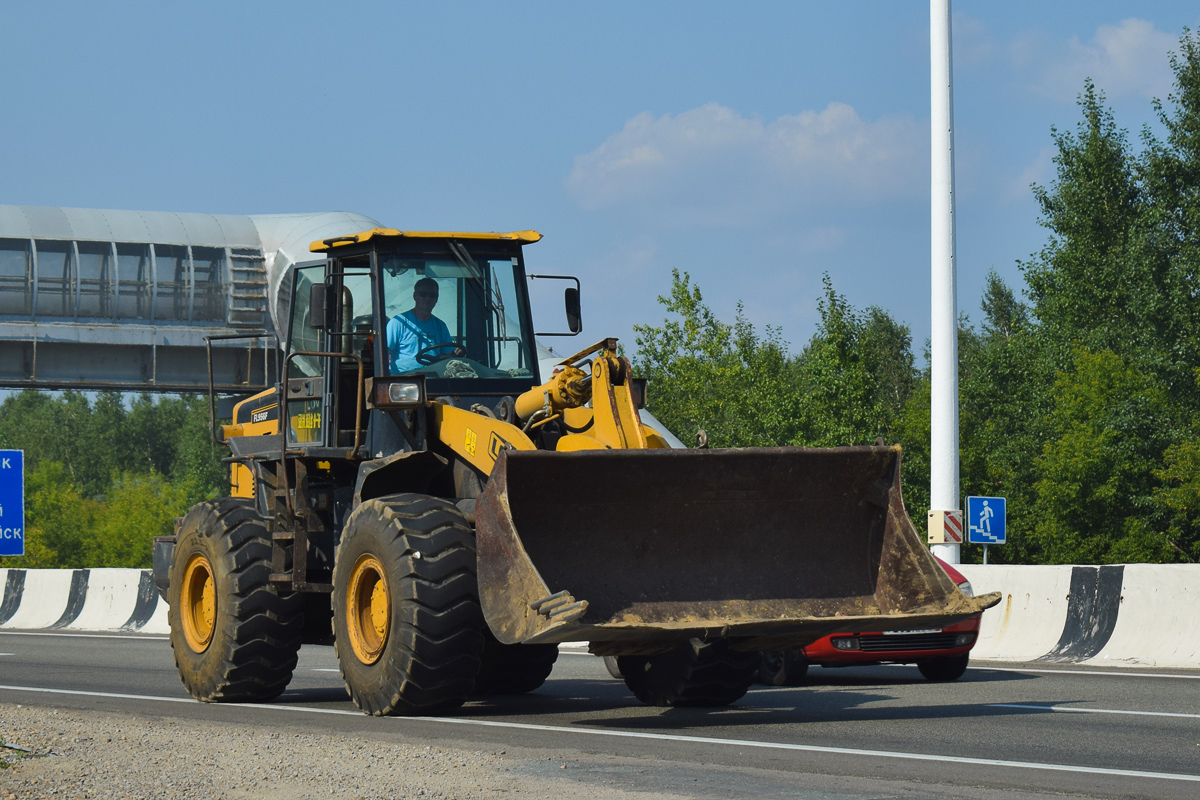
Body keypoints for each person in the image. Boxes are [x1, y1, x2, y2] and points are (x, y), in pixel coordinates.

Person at [386, 277, 462, 373]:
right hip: (404, 380)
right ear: (415, 296)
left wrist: (456, 352)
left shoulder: (440, 326)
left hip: (434, 377)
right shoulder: (398, 322)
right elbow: (384, 353)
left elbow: (447, 354)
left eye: (432, 295)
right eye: (423, 294)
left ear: (437, 298)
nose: (428, 298)